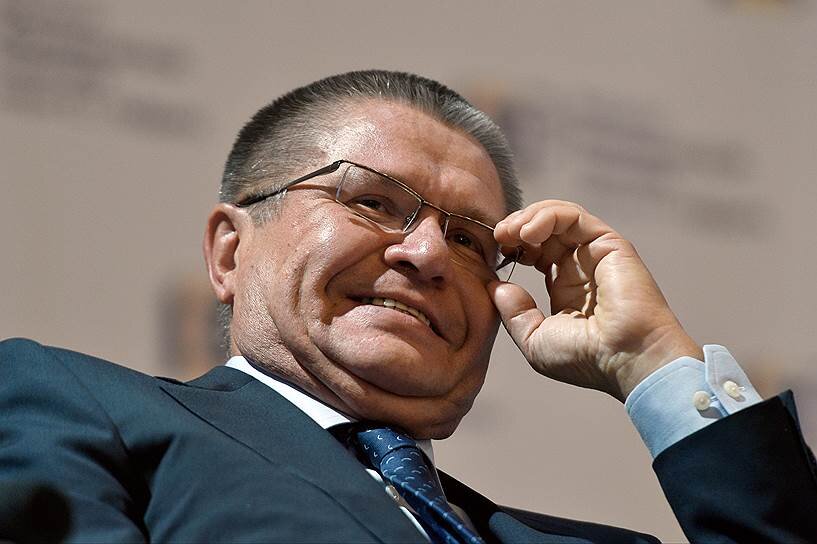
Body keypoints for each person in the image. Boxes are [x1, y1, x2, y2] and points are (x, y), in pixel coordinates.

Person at [1, 70, 815, 543]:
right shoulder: (76, 402)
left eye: (469, 240)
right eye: (372, 202)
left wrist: (653, 363)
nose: (425, 254)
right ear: (229, 251)